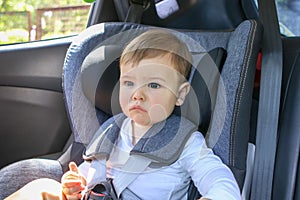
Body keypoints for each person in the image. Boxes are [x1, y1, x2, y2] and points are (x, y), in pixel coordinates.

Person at [5, 29, 241, 200]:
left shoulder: (185, 141)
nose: (138, 95)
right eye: (129, 83)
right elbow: (92, 176)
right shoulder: (112, 128)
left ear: (180, 95)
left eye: (154, 85)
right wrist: (74, 187)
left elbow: (218, 179)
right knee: (41, 187)